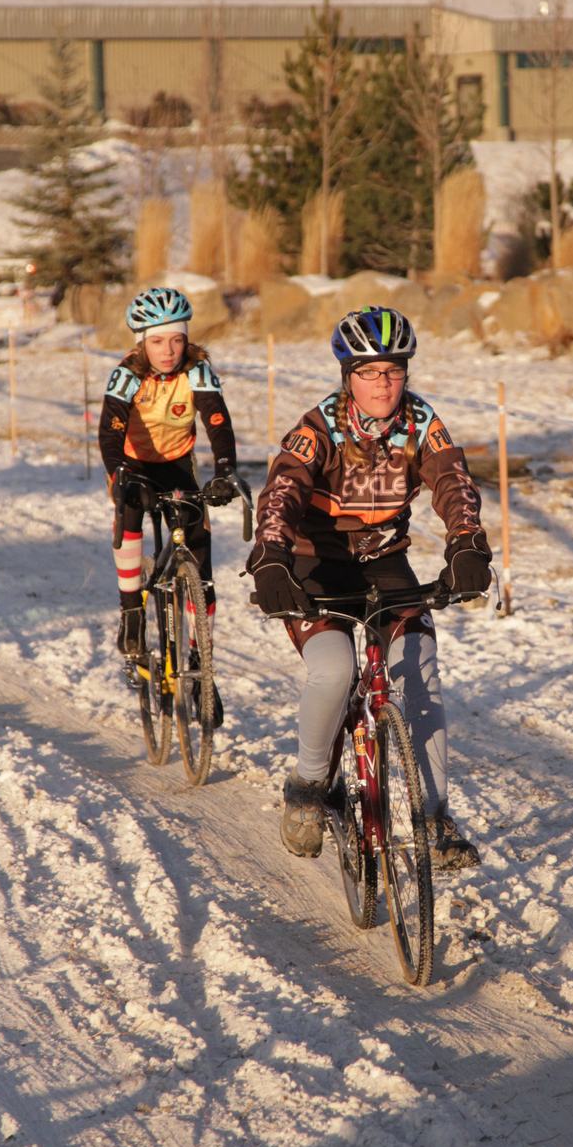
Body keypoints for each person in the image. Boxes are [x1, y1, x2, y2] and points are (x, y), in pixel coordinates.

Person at [247, 305, 492, 872]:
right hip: (314, 564)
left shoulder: (421, 422)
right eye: (369, 372)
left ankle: (434, 818)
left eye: (394, 371)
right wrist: (271, 560)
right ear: (347, 376)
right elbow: (282, 494)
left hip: (383, 562)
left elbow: (453, 482)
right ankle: (309, 787)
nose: (384, 383)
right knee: (333, 670)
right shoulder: (318, 429)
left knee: (418, 667)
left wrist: (467, 543)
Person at [98, 285, 246, 727]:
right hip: (133, 464)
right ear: (142, 341)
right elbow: (109, 432)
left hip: (178, 465)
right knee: (128, 520)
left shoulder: (197, 369)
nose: (168, 350)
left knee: (201, 564)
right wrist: (119, 473)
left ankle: (203, 671)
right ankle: (130, 611)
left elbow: (217, 420)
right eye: (159, 341)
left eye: (177, 339)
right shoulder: (127, 374)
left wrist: (224, 470)